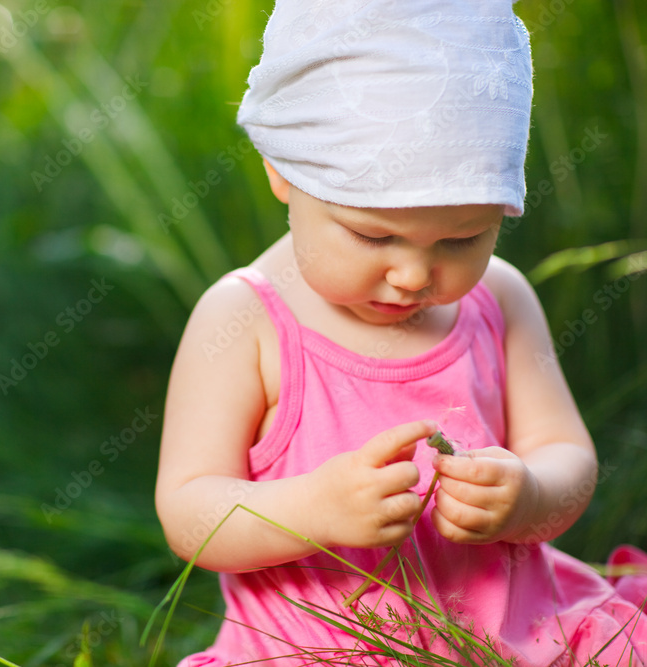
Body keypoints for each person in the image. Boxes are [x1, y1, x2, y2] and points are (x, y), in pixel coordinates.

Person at [154, 1, 647, 665]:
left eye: (463, 236)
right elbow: (190, 511)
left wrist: (529, 494)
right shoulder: (244, 321)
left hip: (525, 634)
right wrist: (313, 509)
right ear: (283, 171)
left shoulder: (500, 298)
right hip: (318, 648)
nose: (415, 273)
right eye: (372, 234)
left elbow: (567, 455)